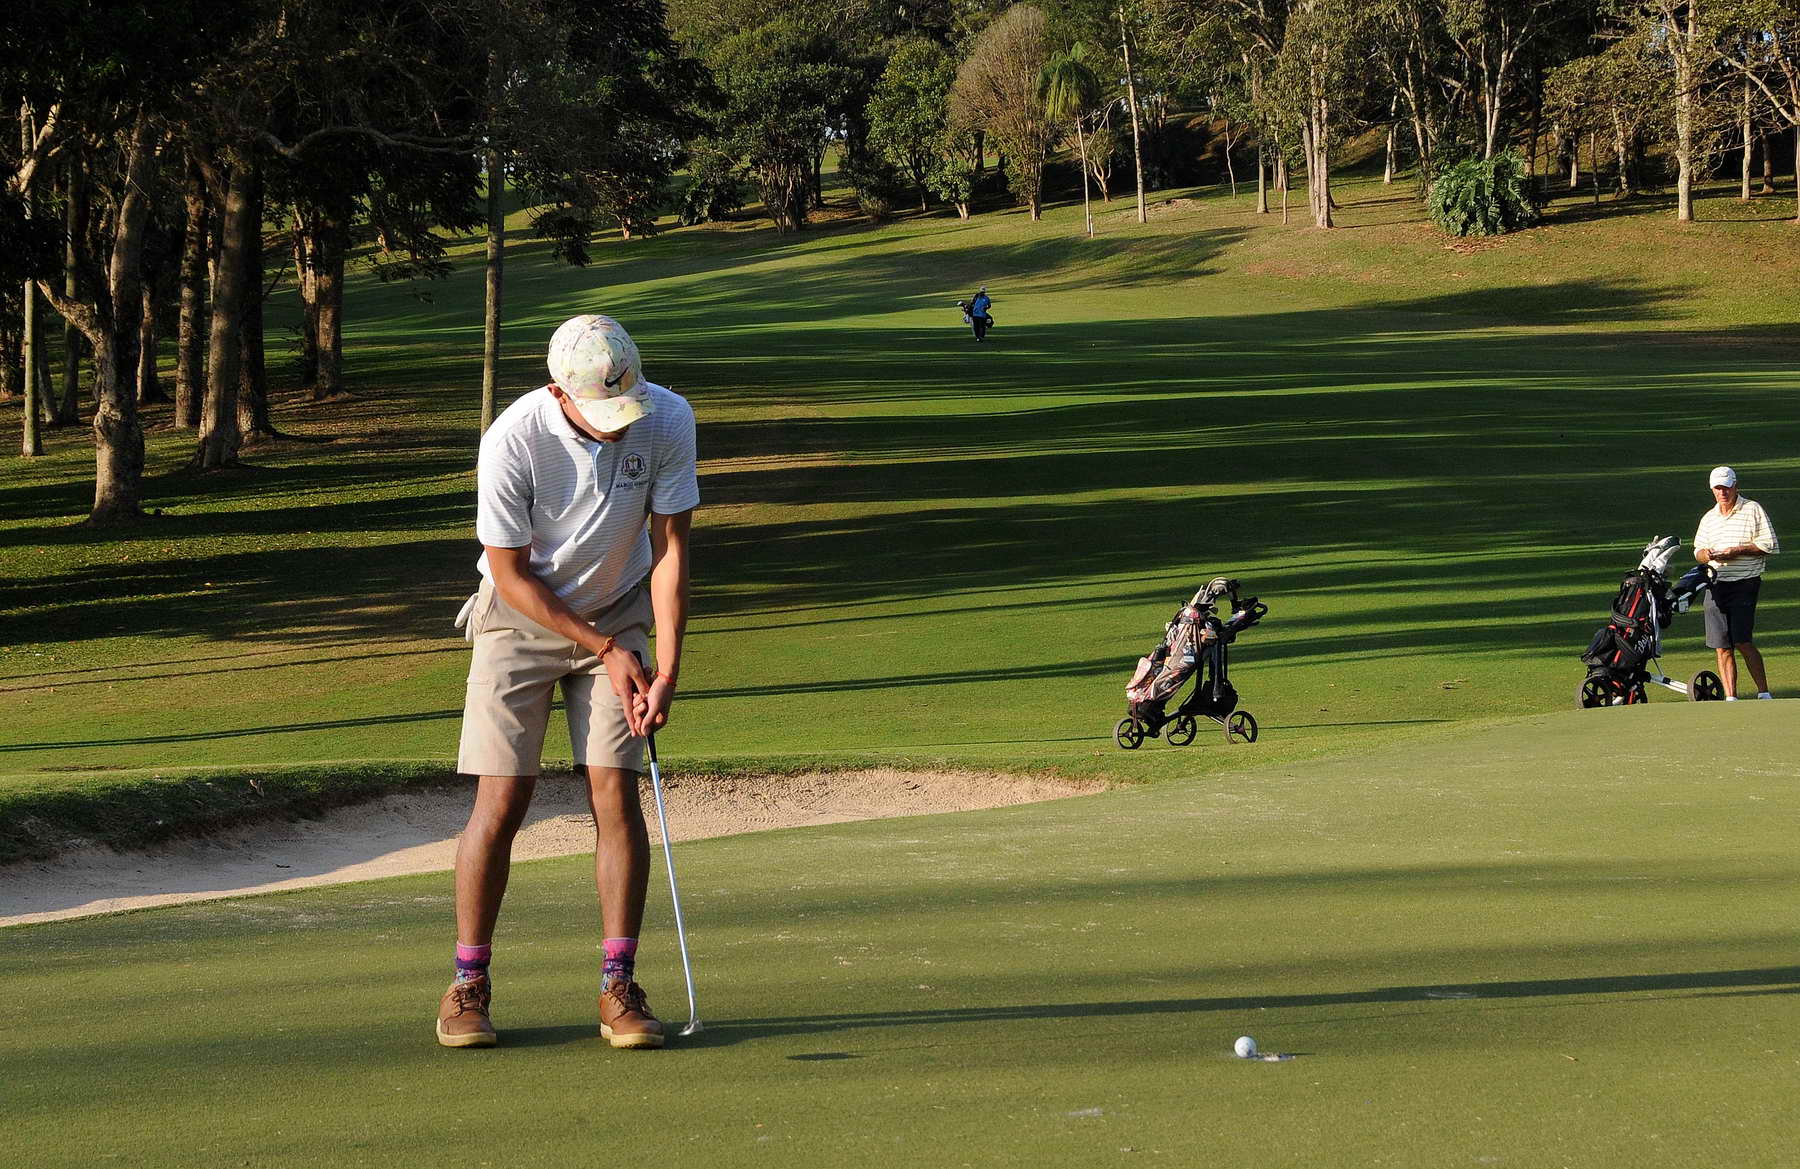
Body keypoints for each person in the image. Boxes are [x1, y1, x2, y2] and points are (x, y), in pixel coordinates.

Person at [438, 314, 698, 1050]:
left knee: (615, 790)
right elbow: (511, 574)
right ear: (558, 391)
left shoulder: (667, 416)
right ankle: (468, 984)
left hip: (619, 604)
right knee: (502, 798)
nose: (622, 427)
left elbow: (671, 550)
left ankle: (619, 985)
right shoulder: (513, 439)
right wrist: (603, 648)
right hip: (519, 615)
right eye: (603, 413)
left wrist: (667, 667)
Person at [1693, 465, 1778, 699]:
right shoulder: (1709, 518)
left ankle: (1763, 693)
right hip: (1715, 584)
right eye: (1718, 488)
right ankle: (1731, 697)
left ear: (1735, 486)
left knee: (1742, 640)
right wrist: (1707, 555)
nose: (1722, 492)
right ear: (1712, 489)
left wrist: (1737, 550)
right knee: (1722, 645)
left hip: (1745, 583)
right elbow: (1698, 551)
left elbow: (1768, 545)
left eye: (1726, 488)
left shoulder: (1752, 509)